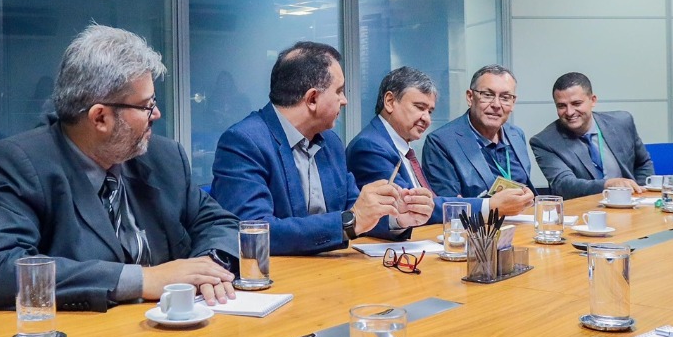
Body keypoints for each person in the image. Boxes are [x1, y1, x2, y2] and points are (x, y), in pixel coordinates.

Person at [0, 24, 240, 311]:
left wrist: (208, 267)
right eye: (146, 105)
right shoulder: (22, 163)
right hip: (88, 333)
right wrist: (142, 280)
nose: (156, 114)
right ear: (100, 118)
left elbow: (220, 224)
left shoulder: (164, 157)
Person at [212, 41, 431, 255]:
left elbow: (356, 210)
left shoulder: (331, 142)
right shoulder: (244, 142)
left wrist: (397, 217)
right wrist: (350, 222)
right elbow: (254, 231)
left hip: (329, 271)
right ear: (312, 98)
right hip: (278, 274)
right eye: (339, 91)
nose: (344, 100)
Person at [348, 65, 534, 225]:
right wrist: (490, 205)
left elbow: (428, 202)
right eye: (419, 108)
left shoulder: (399, 145)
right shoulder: (371, 146)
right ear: (390, 102)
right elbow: (411, 207)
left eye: (430, 111)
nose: (426, 119)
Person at [420, 64, 539, 213]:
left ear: (513, 103)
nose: (496, 105)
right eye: (487, 95)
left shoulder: (516, 135)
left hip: (522, 221)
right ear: (470, 97)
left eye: (505, 97)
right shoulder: (441, 142)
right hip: (477, 226)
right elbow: (450, 207)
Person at [529, 72, 654, 199]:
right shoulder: (545, 142)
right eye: (561, 106)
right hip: (583, 208)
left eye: (576, 103)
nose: (569, 112)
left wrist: (640, 196)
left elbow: (643, 163)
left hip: (629, 204)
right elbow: (564, 185)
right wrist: (607, 185)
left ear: (593, 100)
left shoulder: (621, 122)